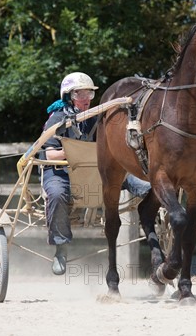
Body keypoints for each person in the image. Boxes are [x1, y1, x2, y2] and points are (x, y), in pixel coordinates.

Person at [41, 72, 151, 275]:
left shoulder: (97, 119)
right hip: (61, 172)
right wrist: (74, 150)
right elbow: (50, 153)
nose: (85, 99)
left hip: (96, 170)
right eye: (79, 94)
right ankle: (60, 249)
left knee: (148, 187)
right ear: (68, 96)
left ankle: (155, 230)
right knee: (56, 195)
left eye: (89, 95)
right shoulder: (56, 118)